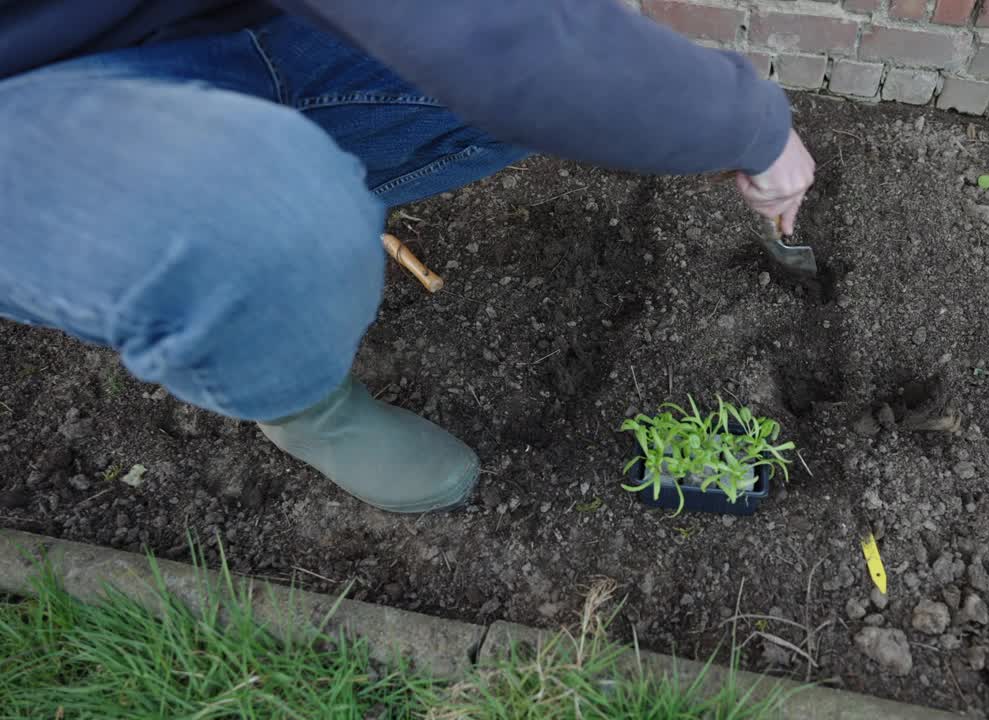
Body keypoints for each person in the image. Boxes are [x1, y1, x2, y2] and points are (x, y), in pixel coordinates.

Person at [0, 1, 816, 513]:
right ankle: (302, 405)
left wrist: (696, 113)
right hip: (25, 111)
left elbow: (513, 36)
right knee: (266, 212)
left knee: (579, 66)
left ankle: (318, 204)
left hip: (177, 22)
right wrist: (750, 124)